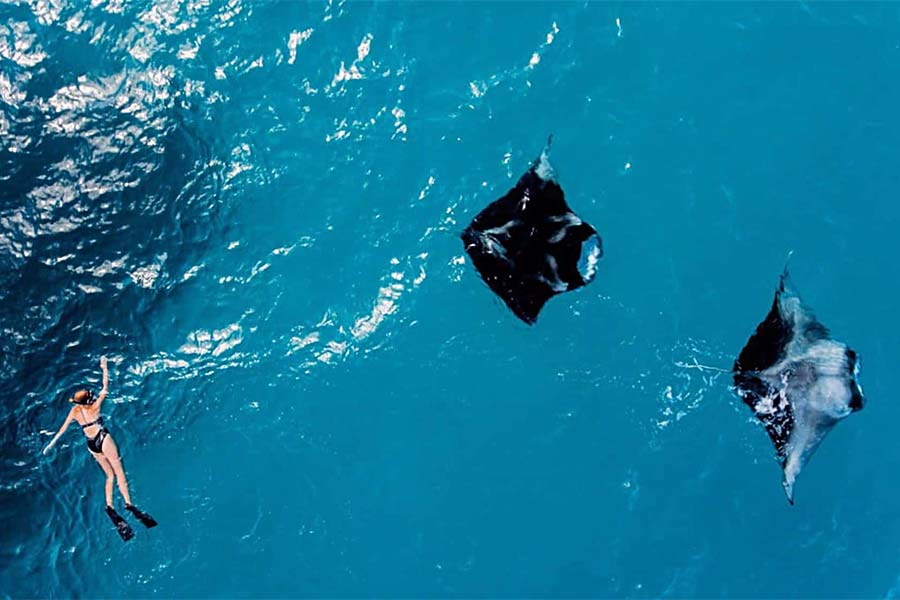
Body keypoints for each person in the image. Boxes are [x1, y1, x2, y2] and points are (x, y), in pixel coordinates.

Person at [42, 356, 157, 541]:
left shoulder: (75, 411)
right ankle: (129, 504)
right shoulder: (95, 407)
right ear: (89, 400)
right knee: (119, 471)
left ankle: (110, 507)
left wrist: (51, 443)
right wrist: (104, 367)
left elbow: (62, 430)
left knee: (109, 476)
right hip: (103, 439)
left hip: (91, 445)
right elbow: (105, 387)